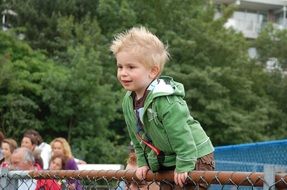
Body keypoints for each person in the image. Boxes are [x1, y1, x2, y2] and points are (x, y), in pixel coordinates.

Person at [110, 26, 215, 189]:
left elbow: (181, 132)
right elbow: (137, 136)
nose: (123, 73)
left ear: (153, 71)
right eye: (120, 66)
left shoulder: (164, 98)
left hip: (194, 155)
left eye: (131, 67)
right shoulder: (128, 100)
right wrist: (143, 163)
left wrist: (185, 163)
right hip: (169, 158)